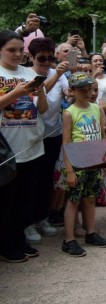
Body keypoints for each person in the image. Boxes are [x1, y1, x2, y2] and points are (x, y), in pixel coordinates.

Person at [0, 30, 48, 262]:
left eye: (20, 49)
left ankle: (19, 240)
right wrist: (16, 93)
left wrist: (39, 94)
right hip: (7, 149)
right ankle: (7, 246)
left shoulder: (29, 72)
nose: (17, 54)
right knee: (6, 201)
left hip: (32, 145)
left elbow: (43, 109)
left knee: (25, 199)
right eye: (11, 50)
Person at [61, 72, 106, 257]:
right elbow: (66, 143)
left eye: (89, 89)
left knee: (90, 198)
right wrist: (69, 170)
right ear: (72, 91)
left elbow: (102, 136)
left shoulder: (97, 109)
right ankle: (69, 239)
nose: (87, 93)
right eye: (82, 90)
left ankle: (91, 232)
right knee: (74, 200)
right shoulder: (69, 113)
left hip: (94, 161)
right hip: (77, 163)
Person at [27, 38, 70, 241]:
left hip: (54, 134)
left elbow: (67, 94)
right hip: (33, 138)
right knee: (31, 182)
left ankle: (42, 218)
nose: (46, 63)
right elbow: (39, 97)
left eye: (50, 58)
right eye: (41, 58)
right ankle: (28, 223)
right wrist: (59, 73)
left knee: (46, 181)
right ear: (31, 58)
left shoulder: (56, 73)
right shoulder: (27, 75)